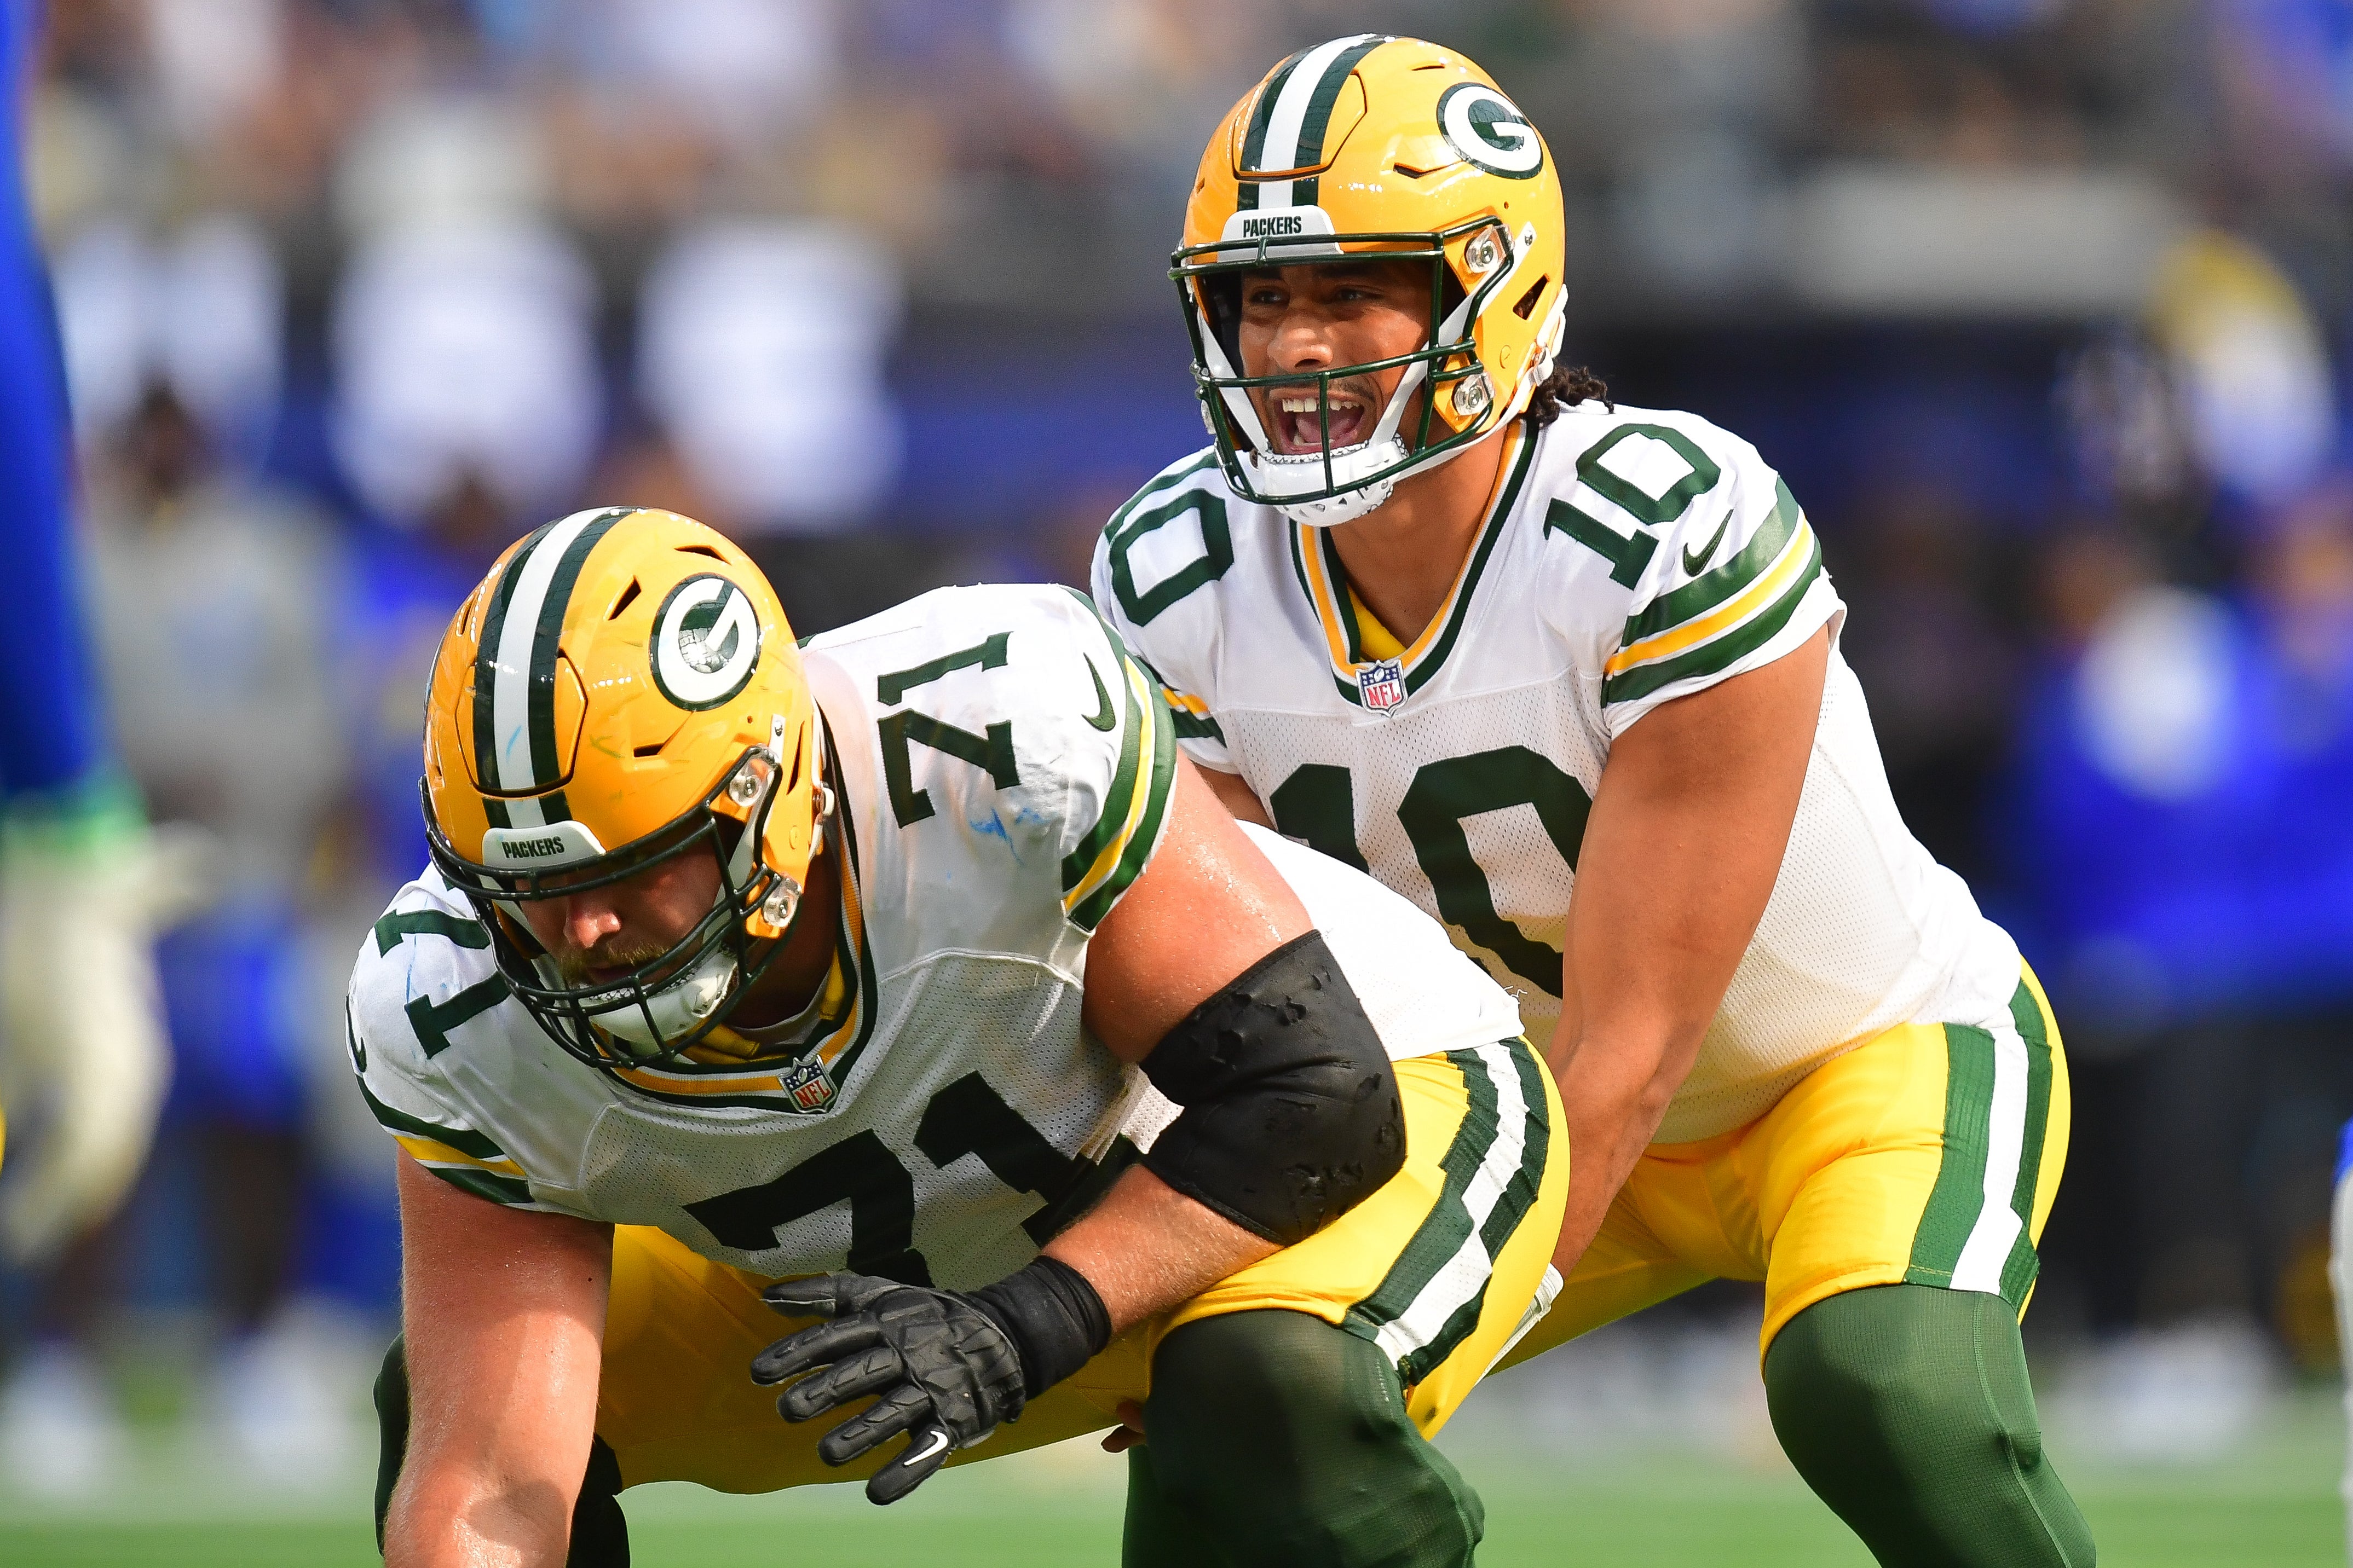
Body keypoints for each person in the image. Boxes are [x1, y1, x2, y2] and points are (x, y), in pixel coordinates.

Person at [1088, 34, 2092, 1566]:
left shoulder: (1660, 527)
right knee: (1231, 1406)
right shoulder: (1178, 572)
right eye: (1259, 297)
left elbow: (1630, 1050)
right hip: (1506, 1098)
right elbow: (1260, 1012)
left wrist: (1424, 1313)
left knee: (1885, 1391)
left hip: (1850, 1062)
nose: (1291, 345)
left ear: (1494, 293)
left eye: (1350, 292)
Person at [359, 507, 1565, 1566]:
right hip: (908, 1293)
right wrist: (999, 1319)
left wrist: (1029, 1321)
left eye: (633, 868)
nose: (581, 932)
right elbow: (485, 1484)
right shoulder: (449, 1008)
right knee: (456, 1406)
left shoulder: (988, 739)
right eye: (529, 888)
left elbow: (1315, 1091)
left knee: (1267, 1391)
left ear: (766, 797)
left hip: (1335, 1130)